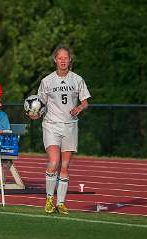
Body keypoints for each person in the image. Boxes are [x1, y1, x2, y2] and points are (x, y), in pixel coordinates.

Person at [29, 46, 91, 214]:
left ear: (70, 60)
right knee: (54, 162)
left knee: (64, 166)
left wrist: (79, 108)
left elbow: (85, 102)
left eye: (66, 57)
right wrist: (34, 114)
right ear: (55, 60)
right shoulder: (47, 81)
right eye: (60, 58)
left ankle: (61, 202)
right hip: (51, 125)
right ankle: (49, 199)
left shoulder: (77, 79)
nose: (63, 60)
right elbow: (39, 105)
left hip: (70, 126)